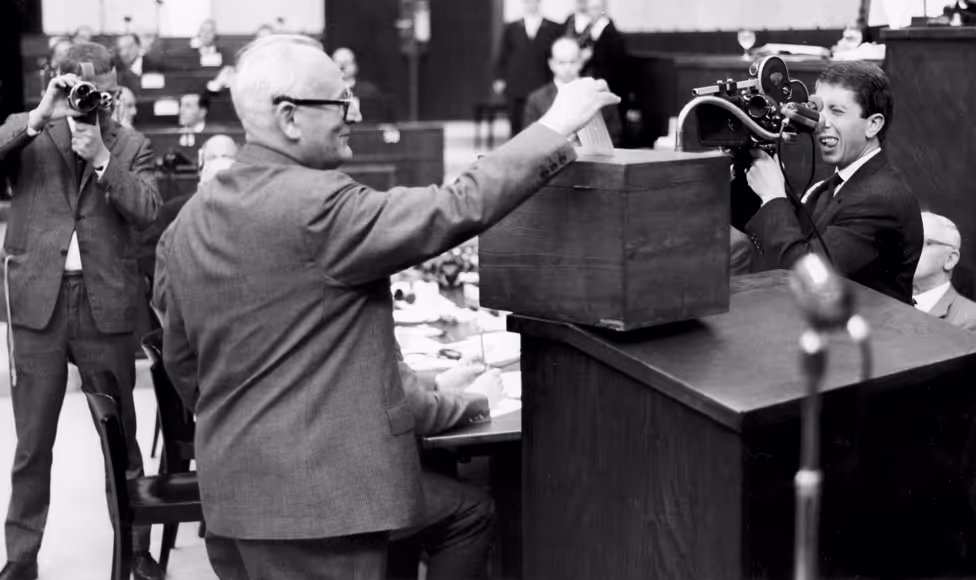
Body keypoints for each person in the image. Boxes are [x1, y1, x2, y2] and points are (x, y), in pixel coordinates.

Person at [153, 34, 617, 579]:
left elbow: (185, 368)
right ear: (289, 117)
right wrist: (554, 127)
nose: (354, 112)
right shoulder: (317, 206)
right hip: (322, 511)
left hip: (234, 499)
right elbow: (454, 206)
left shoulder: (187, 222)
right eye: (338, 102)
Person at [0, 43, 163, 580]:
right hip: (38, 303)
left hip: (105, 308)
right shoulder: (30, 132)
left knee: (122, 444)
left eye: (107, 93)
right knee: (31, 445)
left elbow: (146, 210)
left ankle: (134, 553)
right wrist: (38, 116)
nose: (98, 102)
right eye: (84, 91)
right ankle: (20, 562)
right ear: (58, 83)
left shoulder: (129, 144)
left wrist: (102, 160)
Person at [741, 61, 923, 304]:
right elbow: (784, 239)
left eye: (837, 111)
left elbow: (807, 275)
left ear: (873, 124)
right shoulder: (832, 184)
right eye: (818, 109)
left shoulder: (880, 199)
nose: (820, 123)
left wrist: (775, 196)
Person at [388, 359, 503, 580]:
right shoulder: (367, 322)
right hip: (348, 490)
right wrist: (478, 398)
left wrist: (437, 383)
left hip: (312, 466)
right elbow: (418, 412)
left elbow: (377, 375)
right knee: (473, 512)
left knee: (434, 464)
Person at [135, 134, 239, 293]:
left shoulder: (253, 214)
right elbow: (148, 254)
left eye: (226, 156)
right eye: (212, 157)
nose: (219, 162)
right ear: (201, 169)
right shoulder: (173, 212)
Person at [913, 211, 976, 339]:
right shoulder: (888, 301)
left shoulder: (975, 320)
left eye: (922, 242)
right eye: (907, 242)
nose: (908, 250)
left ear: (950, 259)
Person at [523, 37, 622, 145]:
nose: (567, 68)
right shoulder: (536, 99)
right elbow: (529, 141)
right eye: (561, 62)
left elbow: (615, 134)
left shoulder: (598, 93)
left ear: (580, 62)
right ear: (551, 64)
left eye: (572, 62)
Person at [492, 0, 562, 137]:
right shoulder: (512, 27)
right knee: (516, 126)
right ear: (524, 2)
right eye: (529, 0)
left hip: (542, 82)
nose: (532, 4)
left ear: (540, 2)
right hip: (516, 83)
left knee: (541, 126)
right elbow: (503, 54)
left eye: (536, 0)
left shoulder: (554, 28)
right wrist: (499, 78)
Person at [332, 47, 396, 123]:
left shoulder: (369, 90)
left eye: (347, 63)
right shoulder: (324, 92)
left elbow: (382, 117)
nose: (342, 67)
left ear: (355, 65)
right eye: (338, 63)